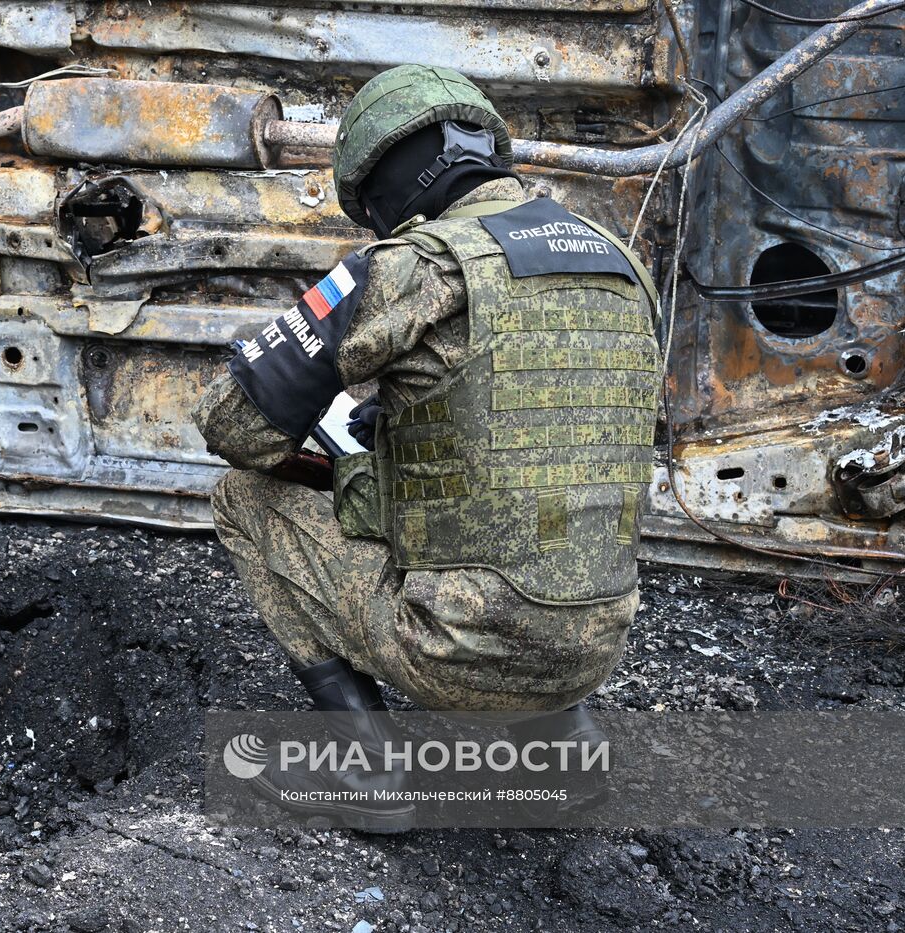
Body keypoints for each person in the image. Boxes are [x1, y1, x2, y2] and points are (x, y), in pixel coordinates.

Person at [193, 65, 660, 828]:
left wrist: (303, 399)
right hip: (595, 645)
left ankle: (370, 771)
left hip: (460, 655)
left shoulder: (415, 264)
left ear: (387, 183)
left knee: (244, 500)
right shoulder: (622, 262)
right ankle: (564, 753)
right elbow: (553, 428)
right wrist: (400, 428)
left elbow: (234, 427)